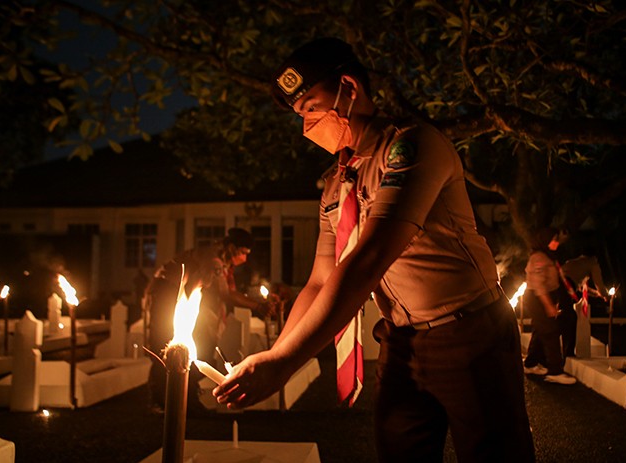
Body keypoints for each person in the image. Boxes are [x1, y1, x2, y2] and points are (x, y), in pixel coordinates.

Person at [213, 37, 535, 462]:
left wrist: (285, 364)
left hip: (470, 332)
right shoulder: (334, 184)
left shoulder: (412, 146)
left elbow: (368, 259)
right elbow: (320, 280)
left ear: (349, 88)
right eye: (300, 115)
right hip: (401, 343)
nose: (307, 124)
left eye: (312, 106)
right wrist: (274, 354)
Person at [145, 227, 273, 408]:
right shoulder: (214, 260)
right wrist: (258, 306)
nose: (244, 259)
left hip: (179, 296)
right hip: (167, 292)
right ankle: (165, 401)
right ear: (232, 248)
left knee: (194, 350)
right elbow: (226, 294)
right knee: (166, 346)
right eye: (243, 253)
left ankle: (183, 398)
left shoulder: (221, 261)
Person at [522, 227, 577, 384]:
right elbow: (539, 286)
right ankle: (555, 371)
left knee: (541, 330)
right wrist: (548, 305)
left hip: (544, 296)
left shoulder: (548, 255)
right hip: (537, 297)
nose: (556, 242)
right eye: (553, 239)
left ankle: (530, 364)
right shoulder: (538, 257)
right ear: (545, 240)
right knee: (550, 330)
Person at [558, 249, 609, 358]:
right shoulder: (593, 263)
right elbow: (599, 284)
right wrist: (606, 295)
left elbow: (580, 287)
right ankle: (568, 354)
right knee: (570, 318)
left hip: (556, 284)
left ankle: (561, 352)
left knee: (560, 317)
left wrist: (596, 294)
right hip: (564, 287)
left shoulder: (577, 262)